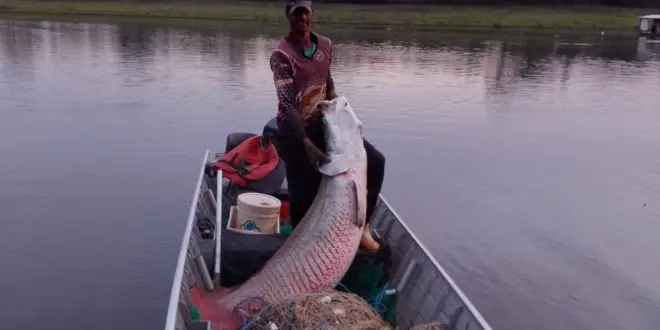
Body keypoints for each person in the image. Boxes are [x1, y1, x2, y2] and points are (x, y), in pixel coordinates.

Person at [269, 0, 385, 252]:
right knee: (303, 197)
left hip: (323, 125)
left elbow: (328, 86)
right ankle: (300, 253)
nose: (301, 18)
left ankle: (362, 227)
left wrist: (346, 124)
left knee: (376, 161)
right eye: (296, 14)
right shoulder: (282, 55)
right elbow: (288, 107)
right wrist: (307, 144)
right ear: (288, 16)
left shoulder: (325, 45)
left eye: (305, 13)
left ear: (312, 15)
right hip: (294, 133)